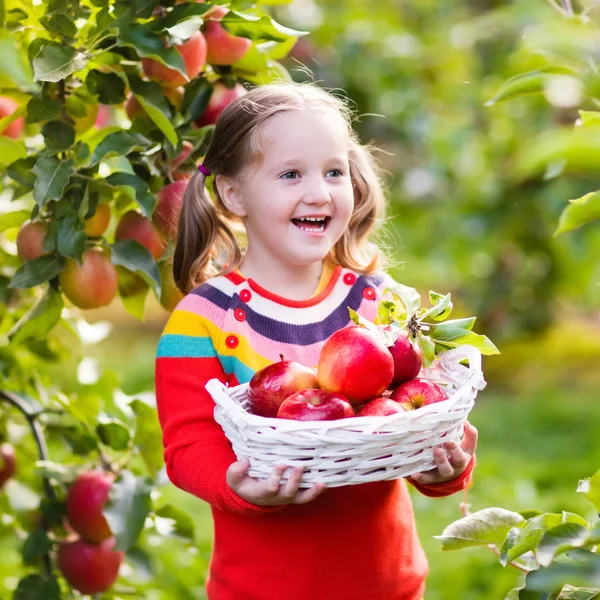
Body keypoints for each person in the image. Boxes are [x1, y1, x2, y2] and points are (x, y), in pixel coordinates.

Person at [155, 82, 478, 600]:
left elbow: (411, 415)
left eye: (333, 172)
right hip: (262, 590)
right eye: (290, 174)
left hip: (389, 587)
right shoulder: (203, 321)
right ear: (234, 194)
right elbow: (188, 446)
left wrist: (445, 467)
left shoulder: (383, 308)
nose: (319, 192)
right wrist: (237, 485)